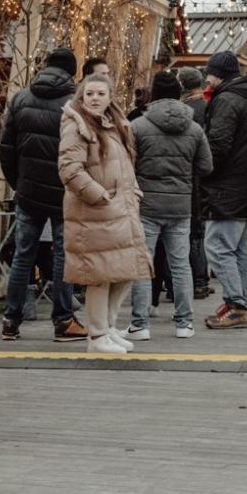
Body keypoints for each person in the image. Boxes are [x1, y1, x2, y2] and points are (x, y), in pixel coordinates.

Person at [0, 47, 86, 344]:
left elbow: (6, 148)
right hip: (65, 192)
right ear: (73, 71)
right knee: (63, 254)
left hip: (28, 191)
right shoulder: (75, 103)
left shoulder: (20, 98)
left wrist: (17, 182)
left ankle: (11, 320)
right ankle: (62, 320)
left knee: (23, 255)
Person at [58, 74, 150, 354]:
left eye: (100, 93)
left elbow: (124, 164)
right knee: (99, 275)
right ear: (81, 96)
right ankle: (97, 336)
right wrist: (98, 194)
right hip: (93, 212)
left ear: (110, 97)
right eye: (89, 94)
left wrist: (133, 191)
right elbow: (69, 169)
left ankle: (108, 327)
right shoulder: (76, 126)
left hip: (121, 209)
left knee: (124, 270)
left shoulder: (115, 125)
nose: (94, 98)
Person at [127, 70, 211, 341]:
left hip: (147, 204)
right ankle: (184, 323)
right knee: (180, 265)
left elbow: (126, 164)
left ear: (154, 94)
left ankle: (139, 324)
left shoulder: (138, 126)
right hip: (180, 205)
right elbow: (206, 166)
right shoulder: (195, 128)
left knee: (143, 263)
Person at [199, 51, 247, 329]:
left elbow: (218, 145)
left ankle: (237, 304)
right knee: (237, 250)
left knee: (217, 246)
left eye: (209, 74)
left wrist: (204, 171)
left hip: (227, 185)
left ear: (219, 74)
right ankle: (237, 302)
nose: (207, 78)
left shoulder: (226, 100)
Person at [179, 66, 213, 300]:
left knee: (192, 231)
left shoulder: (186, 110)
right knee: (199, 229)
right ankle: (202, 277)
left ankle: (197, 279)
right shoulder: (209, 106)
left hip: (190, 174)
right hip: (206, 172)